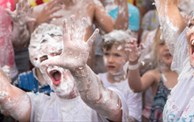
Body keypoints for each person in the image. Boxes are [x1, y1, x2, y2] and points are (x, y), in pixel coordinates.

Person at [0, 22, 128, 121]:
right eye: (44, 58)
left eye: (57, 54)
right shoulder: (39, 106)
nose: (51, 62)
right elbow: (5, 94)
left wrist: (79, 69)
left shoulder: (107, 97)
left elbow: (99, 100)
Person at [127, 27, 178, 121]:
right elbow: (136, 87)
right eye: (162, 44)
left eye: (171, 43)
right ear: (155, 49)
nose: (167, 47)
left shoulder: (186, 76)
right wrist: (133, 63)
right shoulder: (155, 75)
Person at [98, 30, 142, 122]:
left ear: (128, 57)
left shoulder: (132, 85)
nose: (110, 60)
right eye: (106, 54)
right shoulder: (98, 79)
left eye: (116, 55)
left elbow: (134, 118)